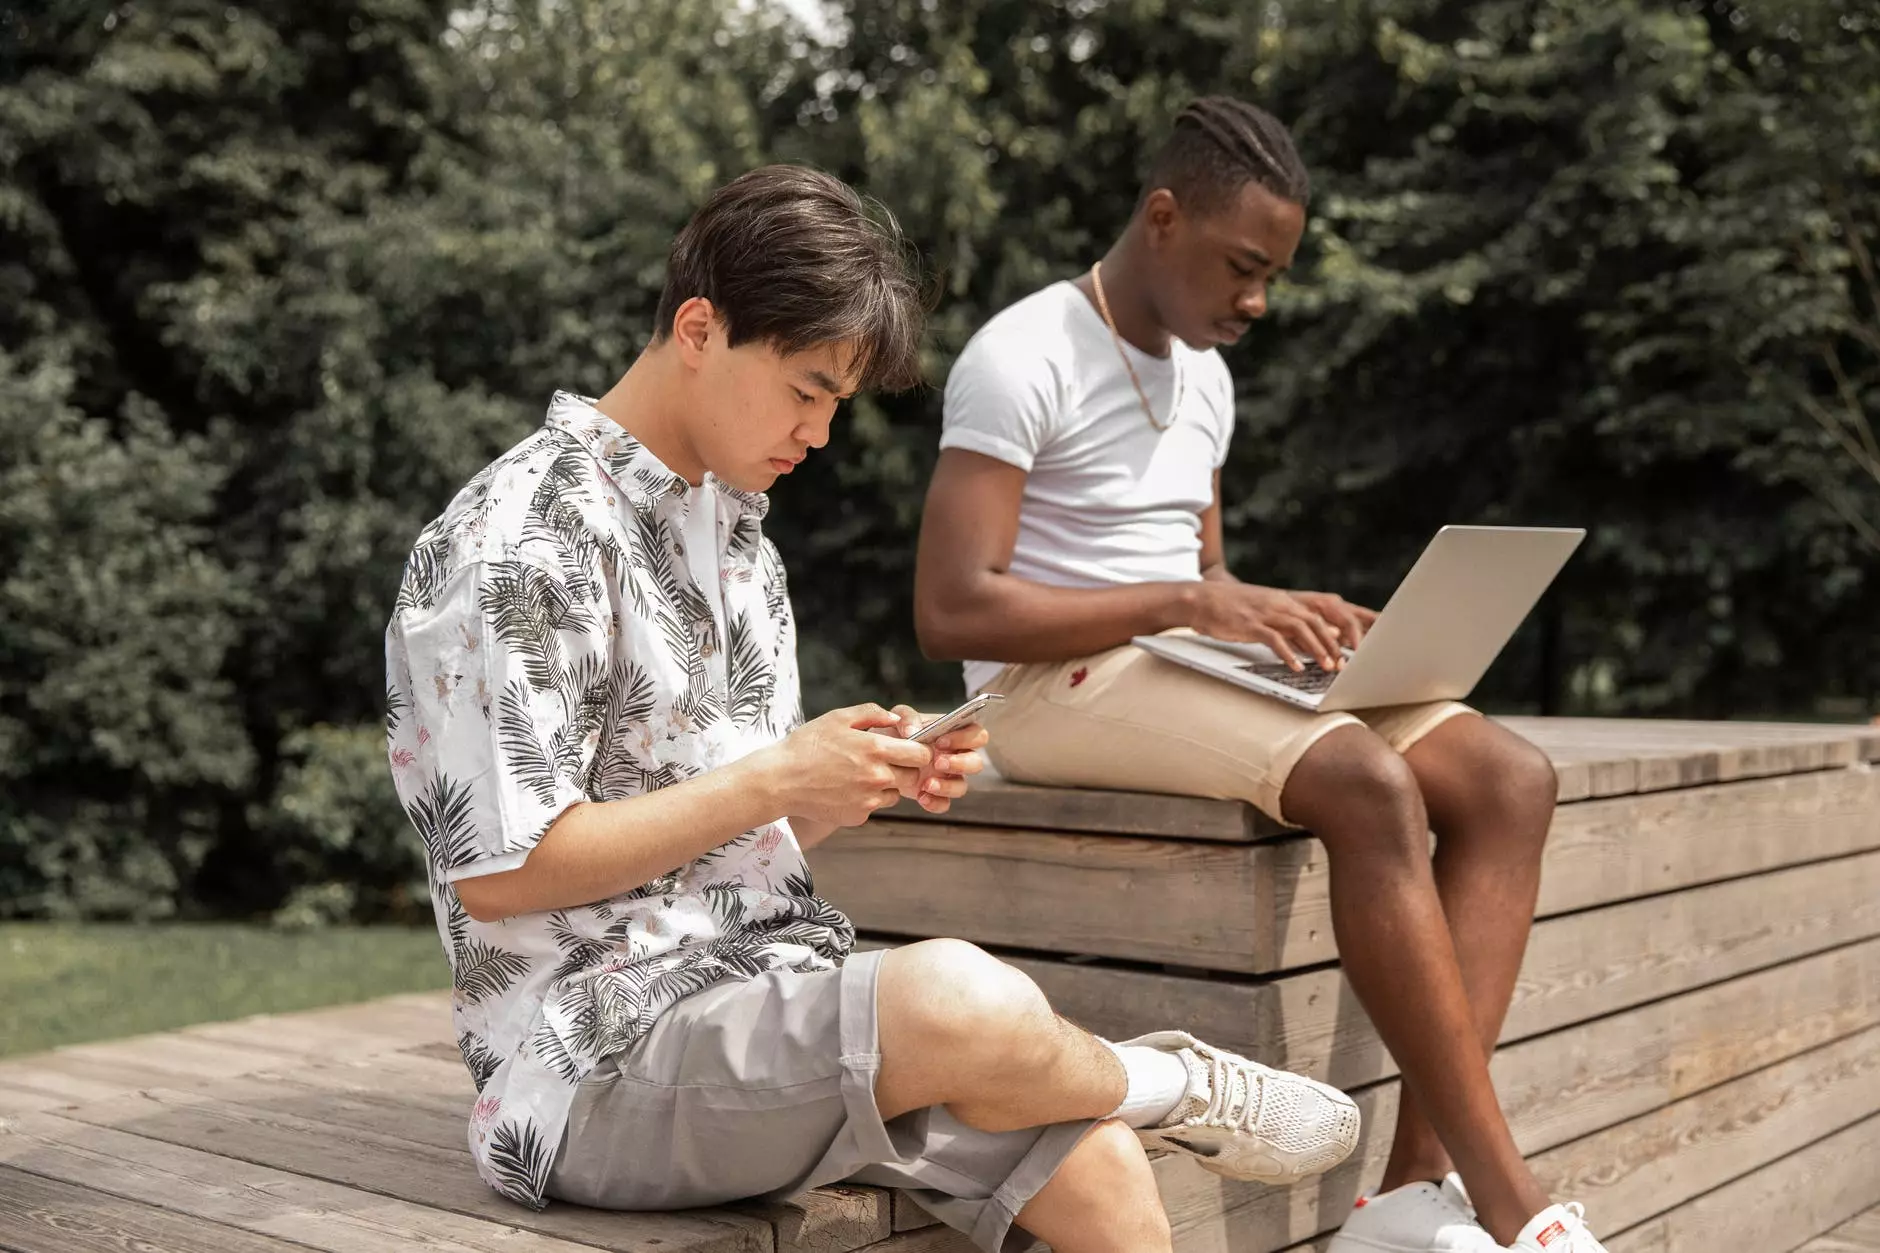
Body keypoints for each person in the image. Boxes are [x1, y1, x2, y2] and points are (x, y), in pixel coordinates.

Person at [384, 163, 1360, 1253]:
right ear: (698, 328)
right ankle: (1174, 1081)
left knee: (1097, 1165)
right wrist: (776, 776)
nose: (820, 433)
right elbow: (505, 871)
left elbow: (720, 846)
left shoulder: (739, 538)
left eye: (836, 404)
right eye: (806, 389)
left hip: (757, 993)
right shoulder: (517, 539)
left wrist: (844, 787)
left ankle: (1140, 1100)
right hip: (588, 1066)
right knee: (956, 994)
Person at [913, 97, 1611, 1253]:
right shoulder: (1020, 352)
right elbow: (950, 608)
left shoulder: (1205, 378)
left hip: (1169, 664)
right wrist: (1195, 601)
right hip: (1041, 690)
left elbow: (1204, 572)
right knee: (1366, 783)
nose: (1256, 301)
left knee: (1505, 776)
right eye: (1243, 267)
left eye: (1272, 274)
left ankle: (1400, 1207)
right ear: (1162, 216)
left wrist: (1279, 619)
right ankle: (1513, 1207)